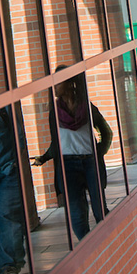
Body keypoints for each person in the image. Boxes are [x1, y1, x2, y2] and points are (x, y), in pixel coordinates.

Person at [33, 67, 112, 240]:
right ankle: (88, 246)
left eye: (58, 82)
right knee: (76, 212)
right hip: (68, 166)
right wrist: (44, 158)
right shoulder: (55, 111)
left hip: (90, 162)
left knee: (100, 209)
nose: (54, 86)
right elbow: (57, 142)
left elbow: (107, 133)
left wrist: (99, 154)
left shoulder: (86, 106)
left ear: (69, 83)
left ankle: (107, 244)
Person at [0, 67, 26, 274]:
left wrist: (13, 163)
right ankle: (9, 259)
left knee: (9, 218)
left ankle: (9, 266)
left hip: (6, 172)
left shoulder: (3, 106)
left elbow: (18, 135)